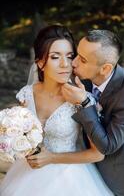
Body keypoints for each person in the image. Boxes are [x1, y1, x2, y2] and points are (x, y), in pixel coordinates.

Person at [0, 25, 113, 196]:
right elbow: (20, 135)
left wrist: (51, 158)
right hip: (26, 174)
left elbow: (97, 154)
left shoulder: (81, 98)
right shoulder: (27, 93)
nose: (65, 64)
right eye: (55, 57)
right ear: (40, 63)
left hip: (69, 178)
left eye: (69, 56)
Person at [60, 30, 124, 196]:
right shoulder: (82, 75)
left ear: (105, 68)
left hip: (120, 178)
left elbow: (108, 146)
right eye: (76, 54)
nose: (74, 63)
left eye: (83, 60)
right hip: (83, 169)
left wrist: (86, 103)